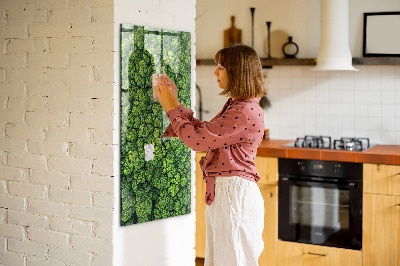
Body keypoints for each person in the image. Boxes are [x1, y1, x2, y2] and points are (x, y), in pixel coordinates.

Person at [154, 44, 266, 266]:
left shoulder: (243, 111)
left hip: (234, 196)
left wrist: (169, 107)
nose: (215, 72)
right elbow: (204, 133)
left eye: (221, 67)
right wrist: (175, 103)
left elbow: (197, 141)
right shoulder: (239, 106)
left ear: (237, 72)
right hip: (228, 194)